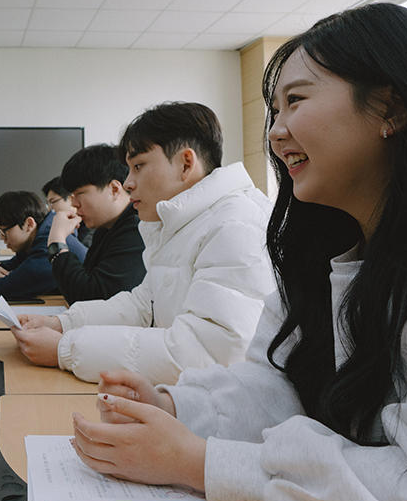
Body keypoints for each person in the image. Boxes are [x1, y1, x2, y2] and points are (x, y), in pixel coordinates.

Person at [73, 3, 407, 501]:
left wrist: (201, 461)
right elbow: (279, 383)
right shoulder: (327, 249)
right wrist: (175, 406)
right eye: (274, 109)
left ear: (391, 107)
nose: (275, 131)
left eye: (296, 101)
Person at [14, 102, 273, 384]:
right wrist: (62, 323)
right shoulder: (181, 224)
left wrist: (66, 349)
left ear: (186, 164)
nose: (128, 183)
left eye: (138, 166)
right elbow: (142, 306)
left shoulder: (234, 226)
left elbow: (205, 353)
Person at [46, 144, 146, 305]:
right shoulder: (105, 228)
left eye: (80, 193)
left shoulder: (137, 229)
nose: (75, 204)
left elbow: (90, 299)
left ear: (114, 189)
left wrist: (57, 243)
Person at [0, 191, 83, 299]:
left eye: (4, 231)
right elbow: (8, 268)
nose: (2, 237)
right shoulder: (32, 243)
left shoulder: (49, 244)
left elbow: (8, 288)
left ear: (29, 224)